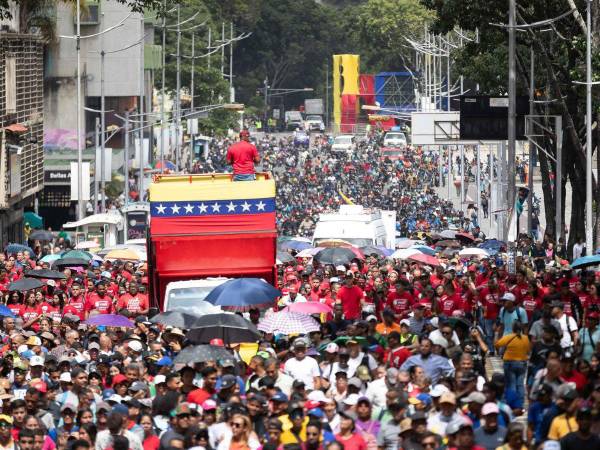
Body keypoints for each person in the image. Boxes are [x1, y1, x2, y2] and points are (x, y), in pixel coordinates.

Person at [494, 321, 530, 411]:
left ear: (513, 328)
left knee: (511, 384)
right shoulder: (525, 338)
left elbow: (497, 344)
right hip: (522, 362)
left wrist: (497, 333)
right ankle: (521, 404)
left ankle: (512, 404)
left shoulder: (508, 337)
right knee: (520, 384)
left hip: (509, 363)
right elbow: (529, 349)